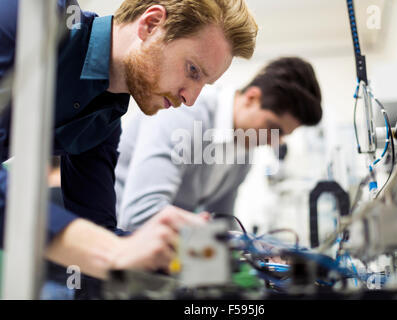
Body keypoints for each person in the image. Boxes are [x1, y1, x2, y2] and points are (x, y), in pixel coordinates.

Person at [0, 0, 258, 295]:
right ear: (150, 25)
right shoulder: (28, 15)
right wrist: (109, 250)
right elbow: (107, 248)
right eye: (192, 70)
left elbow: (99, 232)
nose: (191, 99)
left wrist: (207, 255)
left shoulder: (104, 119)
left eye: (204, 84)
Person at [115, 57, 322, 232]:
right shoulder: (185, 112)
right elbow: (140, 214)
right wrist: (219, 237)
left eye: (281, 135)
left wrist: (256, 249)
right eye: (272, 128)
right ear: (251, 98)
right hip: (111, 241)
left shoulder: (244, 149)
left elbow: (222, 219)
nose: (272, 142)